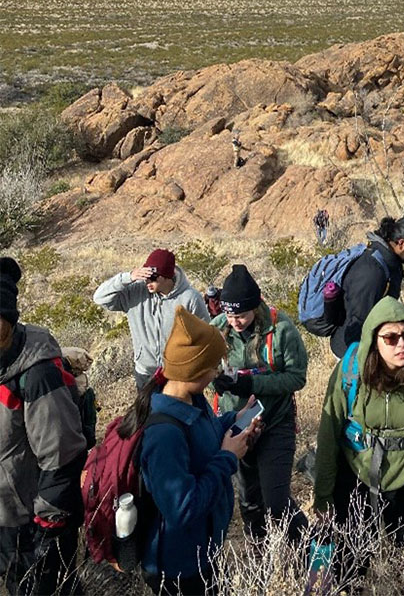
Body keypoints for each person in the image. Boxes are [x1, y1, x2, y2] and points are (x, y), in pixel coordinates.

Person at [314, 298, 404, 583]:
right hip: (357, 472)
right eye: (391, 338)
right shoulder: (351, 371)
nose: (401, 345)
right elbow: (328, 433)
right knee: (350, 559)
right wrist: (323, 495)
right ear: (374, 340)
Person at [129, 305, 261, 596]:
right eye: (213, 367)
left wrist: (235, 420)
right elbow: (182, 508)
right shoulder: (164, 435)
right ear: (193, 371)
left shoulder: (193, 400)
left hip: (203, 550)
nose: (217, 372)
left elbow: (207, 434)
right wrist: (228, 457)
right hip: (179, 567)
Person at [0, 256, 88, 596]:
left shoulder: (36, 374)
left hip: (33, 519)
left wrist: (49, 524)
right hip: (8, 512)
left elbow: (61, 454)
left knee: (46, 588)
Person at [211, 265, 308, 543]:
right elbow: (200, 370)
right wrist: (214, 382)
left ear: (255, 306)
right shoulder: (218, 330)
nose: (235, 322)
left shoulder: (281, 330)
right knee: (250, 503)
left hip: (276, 422)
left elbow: (297, 378)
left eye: (240, 315)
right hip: (238, 424)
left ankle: (317, 555)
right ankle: (262, 559)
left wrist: (251, 384)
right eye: (229, 315)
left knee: (276, 501)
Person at [94, 248, 210, 388]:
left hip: (177, 376)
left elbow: (205, 337)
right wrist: (128, 277)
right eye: (145, 276)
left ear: (167, 276)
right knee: (147, 411)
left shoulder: (190, 298)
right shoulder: (135, 293)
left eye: (153, 277)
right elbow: (99, 298)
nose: (148, 281)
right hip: (145, 374)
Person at [330, 215, 404, 359]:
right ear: (401, 243)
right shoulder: (373, 272)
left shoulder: (388, 261)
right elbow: (359, 319)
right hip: (353, 350)